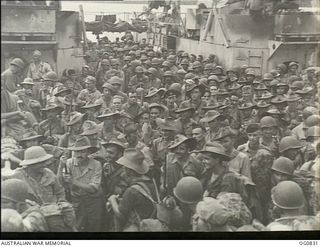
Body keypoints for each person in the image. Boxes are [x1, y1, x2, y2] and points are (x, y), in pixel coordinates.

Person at [58, 136, 103, 232]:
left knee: (94, 226)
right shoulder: (69, 163)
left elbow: (93, 188)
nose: (79, 154)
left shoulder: (96, 164)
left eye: (83, 151)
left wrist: (73, 181)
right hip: (76, 200)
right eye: (77, 151)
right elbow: (60, 183)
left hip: (93, 200)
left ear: (89, 152)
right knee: (77, 226)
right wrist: (61, 165)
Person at [108, 149, 159, 231]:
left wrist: (112, 200)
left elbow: (120, 215)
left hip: (138, 226)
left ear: (129, 170)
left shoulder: (132, 190)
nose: (123, 169)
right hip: (151, 223)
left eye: (124, 167)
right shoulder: (151, 181)